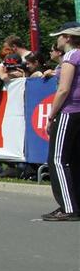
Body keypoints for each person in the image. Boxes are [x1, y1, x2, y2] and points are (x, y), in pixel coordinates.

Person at [43, 24, 80, 221]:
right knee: (74, 159)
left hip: (69, 110)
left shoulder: (71, 56)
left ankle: (68, 207)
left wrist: (51, 114)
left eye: (59, 36)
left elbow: (64, 89)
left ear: (67, 37)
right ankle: (75, 204)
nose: (57, 40)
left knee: (58, 159)